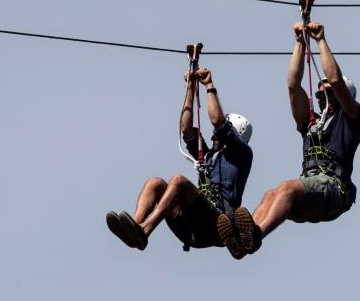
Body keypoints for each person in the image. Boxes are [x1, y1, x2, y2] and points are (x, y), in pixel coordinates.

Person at [215, 20, 360, 259]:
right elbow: (293, 85)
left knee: (286, 188)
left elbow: (335, 80)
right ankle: (242, 237)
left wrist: (320, 40)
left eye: (325, 94)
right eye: (318, 94)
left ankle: (255, 237)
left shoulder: (351, 118)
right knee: (271, 195)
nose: (320, 98)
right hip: (311, 192)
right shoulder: (311, 123)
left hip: (333, 190)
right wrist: (298, 43)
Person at [105, 67, 253, 251]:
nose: (214, 135)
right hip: (191, 226)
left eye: (219, 134)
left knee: (179, 181)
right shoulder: (209, 156)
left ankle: (145, 229)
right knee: (155, 183)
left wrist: (209, 86)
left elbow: (217, 121)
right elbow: (186, 130)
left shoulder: (242, 154)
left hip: (217, 224)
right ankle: (134, 227)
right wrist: (190, 89)